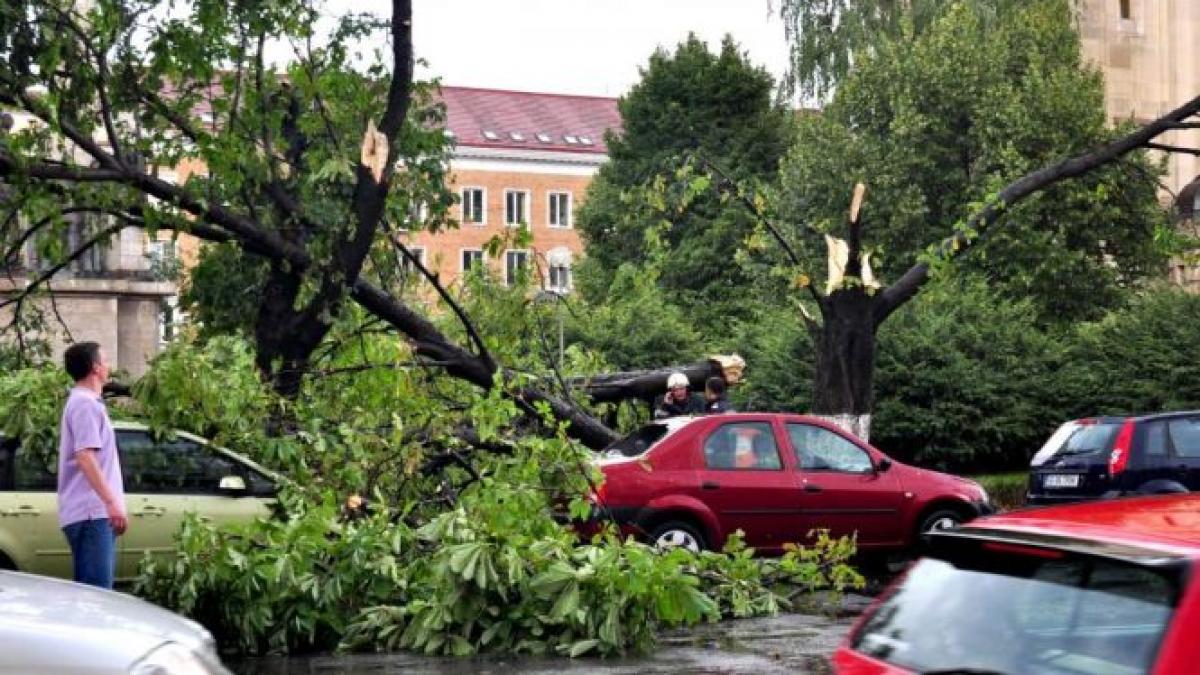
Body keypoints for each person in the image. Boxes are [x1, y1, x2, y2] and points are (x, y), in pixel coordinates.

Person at [57, 342, 126, 588]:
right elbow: (85, 456)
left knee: (92, 595)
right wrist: (110, 503)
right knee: (96, 598)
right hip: (91, 513)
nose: (108, 366)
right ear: (96, 368)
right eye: (105, 360)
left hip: (93, 514)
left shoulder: (85, 402)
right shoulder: (84, 404)